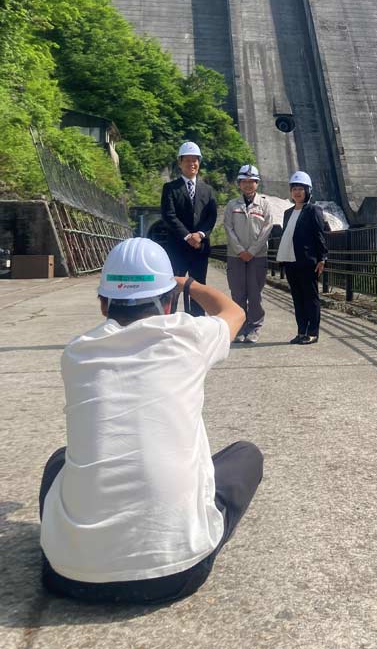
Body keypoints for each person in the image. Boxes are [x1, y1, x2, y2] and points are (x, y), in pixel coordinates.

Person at [39, 237, 263, 605]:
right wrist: (188, 283)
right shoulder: (187, 337)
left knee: (59, 460)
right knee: (246, 455)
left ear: (102, 303)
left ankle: (80, 542)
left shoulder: (76, 353)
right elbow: (234, 312)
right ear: (170, 303)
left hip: (68, 574)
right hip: (175, 572)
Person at [161, 141, 217, 316]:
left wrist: (200, 235)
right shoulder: (170, 188)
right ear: (180, 163)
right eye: (187, 160)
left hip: (199, 249)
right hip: (177, 248)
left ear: (199, 163)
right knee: (173, 287)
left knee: (198, 288)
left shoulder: (207, 190)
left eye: (195, 160)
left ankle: (197, 323)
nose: (192, 164)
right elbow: (169, 215)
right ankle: (170, 323)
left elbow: (211, 217)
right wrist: (187, 236)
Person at [223, 164, 274, 343]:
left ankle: (254, 327)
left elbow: (266, 230)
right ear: (239, 184)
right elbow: (228, 229)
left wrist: (251, 251)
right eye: (244, 181)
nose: (248, 185)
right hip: (235, 256)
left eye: (251, 181)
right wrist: (240, 250)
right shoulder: (231, 205)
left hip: (257, 256)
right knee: (237, 293)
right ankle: (239, 327)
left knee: (255, 294)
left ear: (257, 183)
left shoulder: (265, 205)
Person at [276, 171, 327, 345]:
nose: (297, 192)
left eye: (301, 189)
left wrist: (322, 258)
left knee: (310, 297)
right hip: (290, 261)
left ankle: (312, 332)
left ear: (308, 191)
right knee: (297, 298)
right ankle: (301, 331)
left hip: (307, 261)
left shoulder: (314, 210)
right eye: (294, 189)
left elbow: (319, 235)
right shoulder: (288, 213)